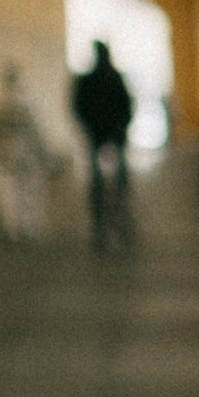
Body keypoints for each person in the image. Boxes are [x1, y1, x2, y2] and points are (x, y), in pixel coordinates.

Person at [0, 63, 52, 240]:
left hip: (6, 151)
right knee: (29, 189)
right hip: (27, 151)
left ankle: (14, 228)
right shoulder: (27, 102)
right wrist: (42, 151)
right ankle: (29, 226)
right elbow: (36, 131)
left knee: (11, 190)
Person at [69, 39, 135, 250]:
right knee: (115, 178)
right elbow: (127, 105)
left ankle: (103, 221)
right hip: (110, 134)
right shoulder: (113, 77)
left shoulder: (89, 80)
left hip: (98, 135)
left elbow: (78, 106)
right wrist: (120, 127)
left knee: (100, 180)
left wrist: (90, 127)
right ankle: (118, 216)